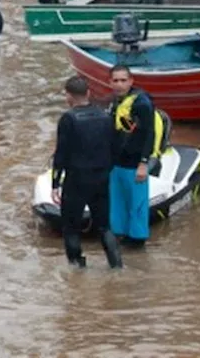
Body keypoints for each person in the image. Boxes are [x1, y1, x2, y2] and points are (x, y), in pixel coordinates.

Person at [51, 76, 123, 269]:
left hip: (77, 179)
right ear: (88, 93)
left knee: (71, 227)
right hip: (101, 177)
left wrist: (55, 184)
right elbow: (115, 147)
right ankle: (116, 266)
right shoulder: (105, 116)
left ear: (68, 96)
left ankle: (77, 269)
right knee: (104, 226)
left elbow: (61, 154)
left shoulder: (68, 119)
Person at [108, 64, 157, 248]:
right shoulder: (115, 102)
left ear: (131, 81)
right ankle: (119, 236)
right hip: (117, 163)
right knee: (118, 206)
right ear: (110, 82)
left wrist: (144, 163)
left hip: (135, 164)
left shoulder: (142, 103)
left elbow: (149, 134)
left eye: (123, 80)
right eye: (116, 81)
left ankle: (137, 242)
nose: (119, 84)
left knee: (136, 207)